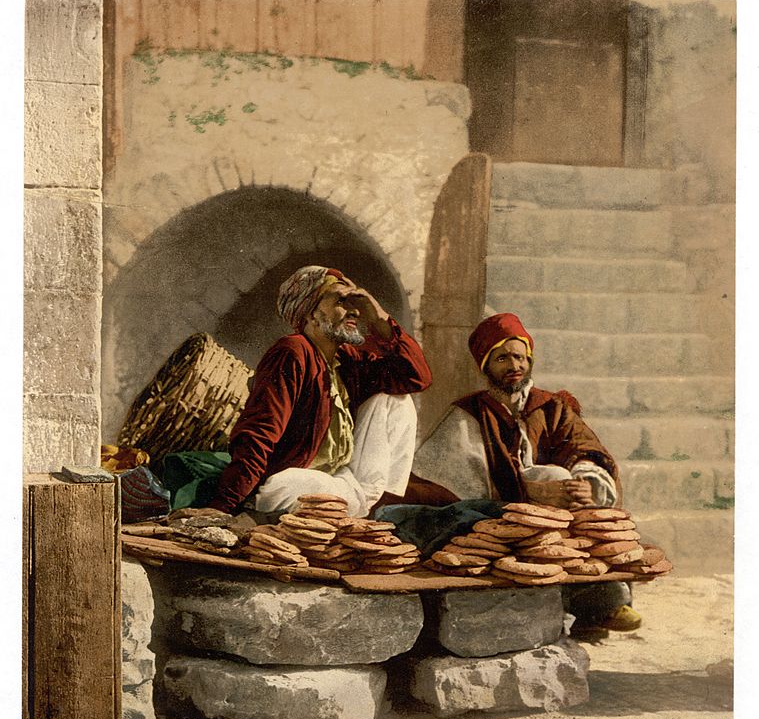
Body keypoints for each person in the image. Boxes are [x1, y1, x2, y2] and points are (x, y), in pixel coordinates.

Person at [412, 311, 642, 633]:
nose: (513, 366)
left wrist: (587, 482)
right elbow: (453, 482)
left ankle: (600, 604)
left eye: (519, 357)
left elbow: (583, 446)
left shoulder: (552, 407)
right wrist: (527, 492)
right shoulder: (467, 414)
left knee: (576, 509)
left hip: (558, 515)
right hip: (493, 518)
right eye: (502, 358)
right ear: (486, 367)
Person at [199, 265, 432, 518]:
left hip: (341, 480)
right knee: (301, 485)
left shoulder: (348, 360)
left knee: (397, 399)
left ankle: (370, 509)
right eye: (342, 301)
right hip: (290, 483)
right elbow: (259, 434)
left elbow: (416, 376)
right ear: (311, 314)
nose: (355, 310)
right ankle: (354, 512)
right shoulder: (292, 352)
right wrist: (223, 507)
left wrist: (378, 317)